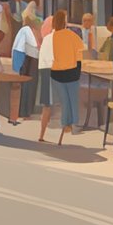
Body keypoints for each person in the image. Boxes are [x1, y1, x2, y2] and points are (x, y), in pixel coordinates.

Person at [41, 10, 84, 144]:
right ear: (65, 22)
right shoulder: (72, 36)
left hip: (55, 73)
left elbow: (45, 57)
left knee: (62, 101)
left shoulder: (49, 38)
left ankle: (64, 125)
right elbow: (80, 54)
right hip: (71, 72)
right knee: (72, 99)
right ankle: (69, 124)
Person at [11, 15, 41, 122]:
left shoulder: (23, 31)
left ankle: (21, 111)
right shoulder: (33, 31)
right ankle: (26, 112)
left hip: (24, 59)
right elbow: (37, 46)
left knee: (24, 86)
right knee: (31, 85)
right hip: (32, 59)